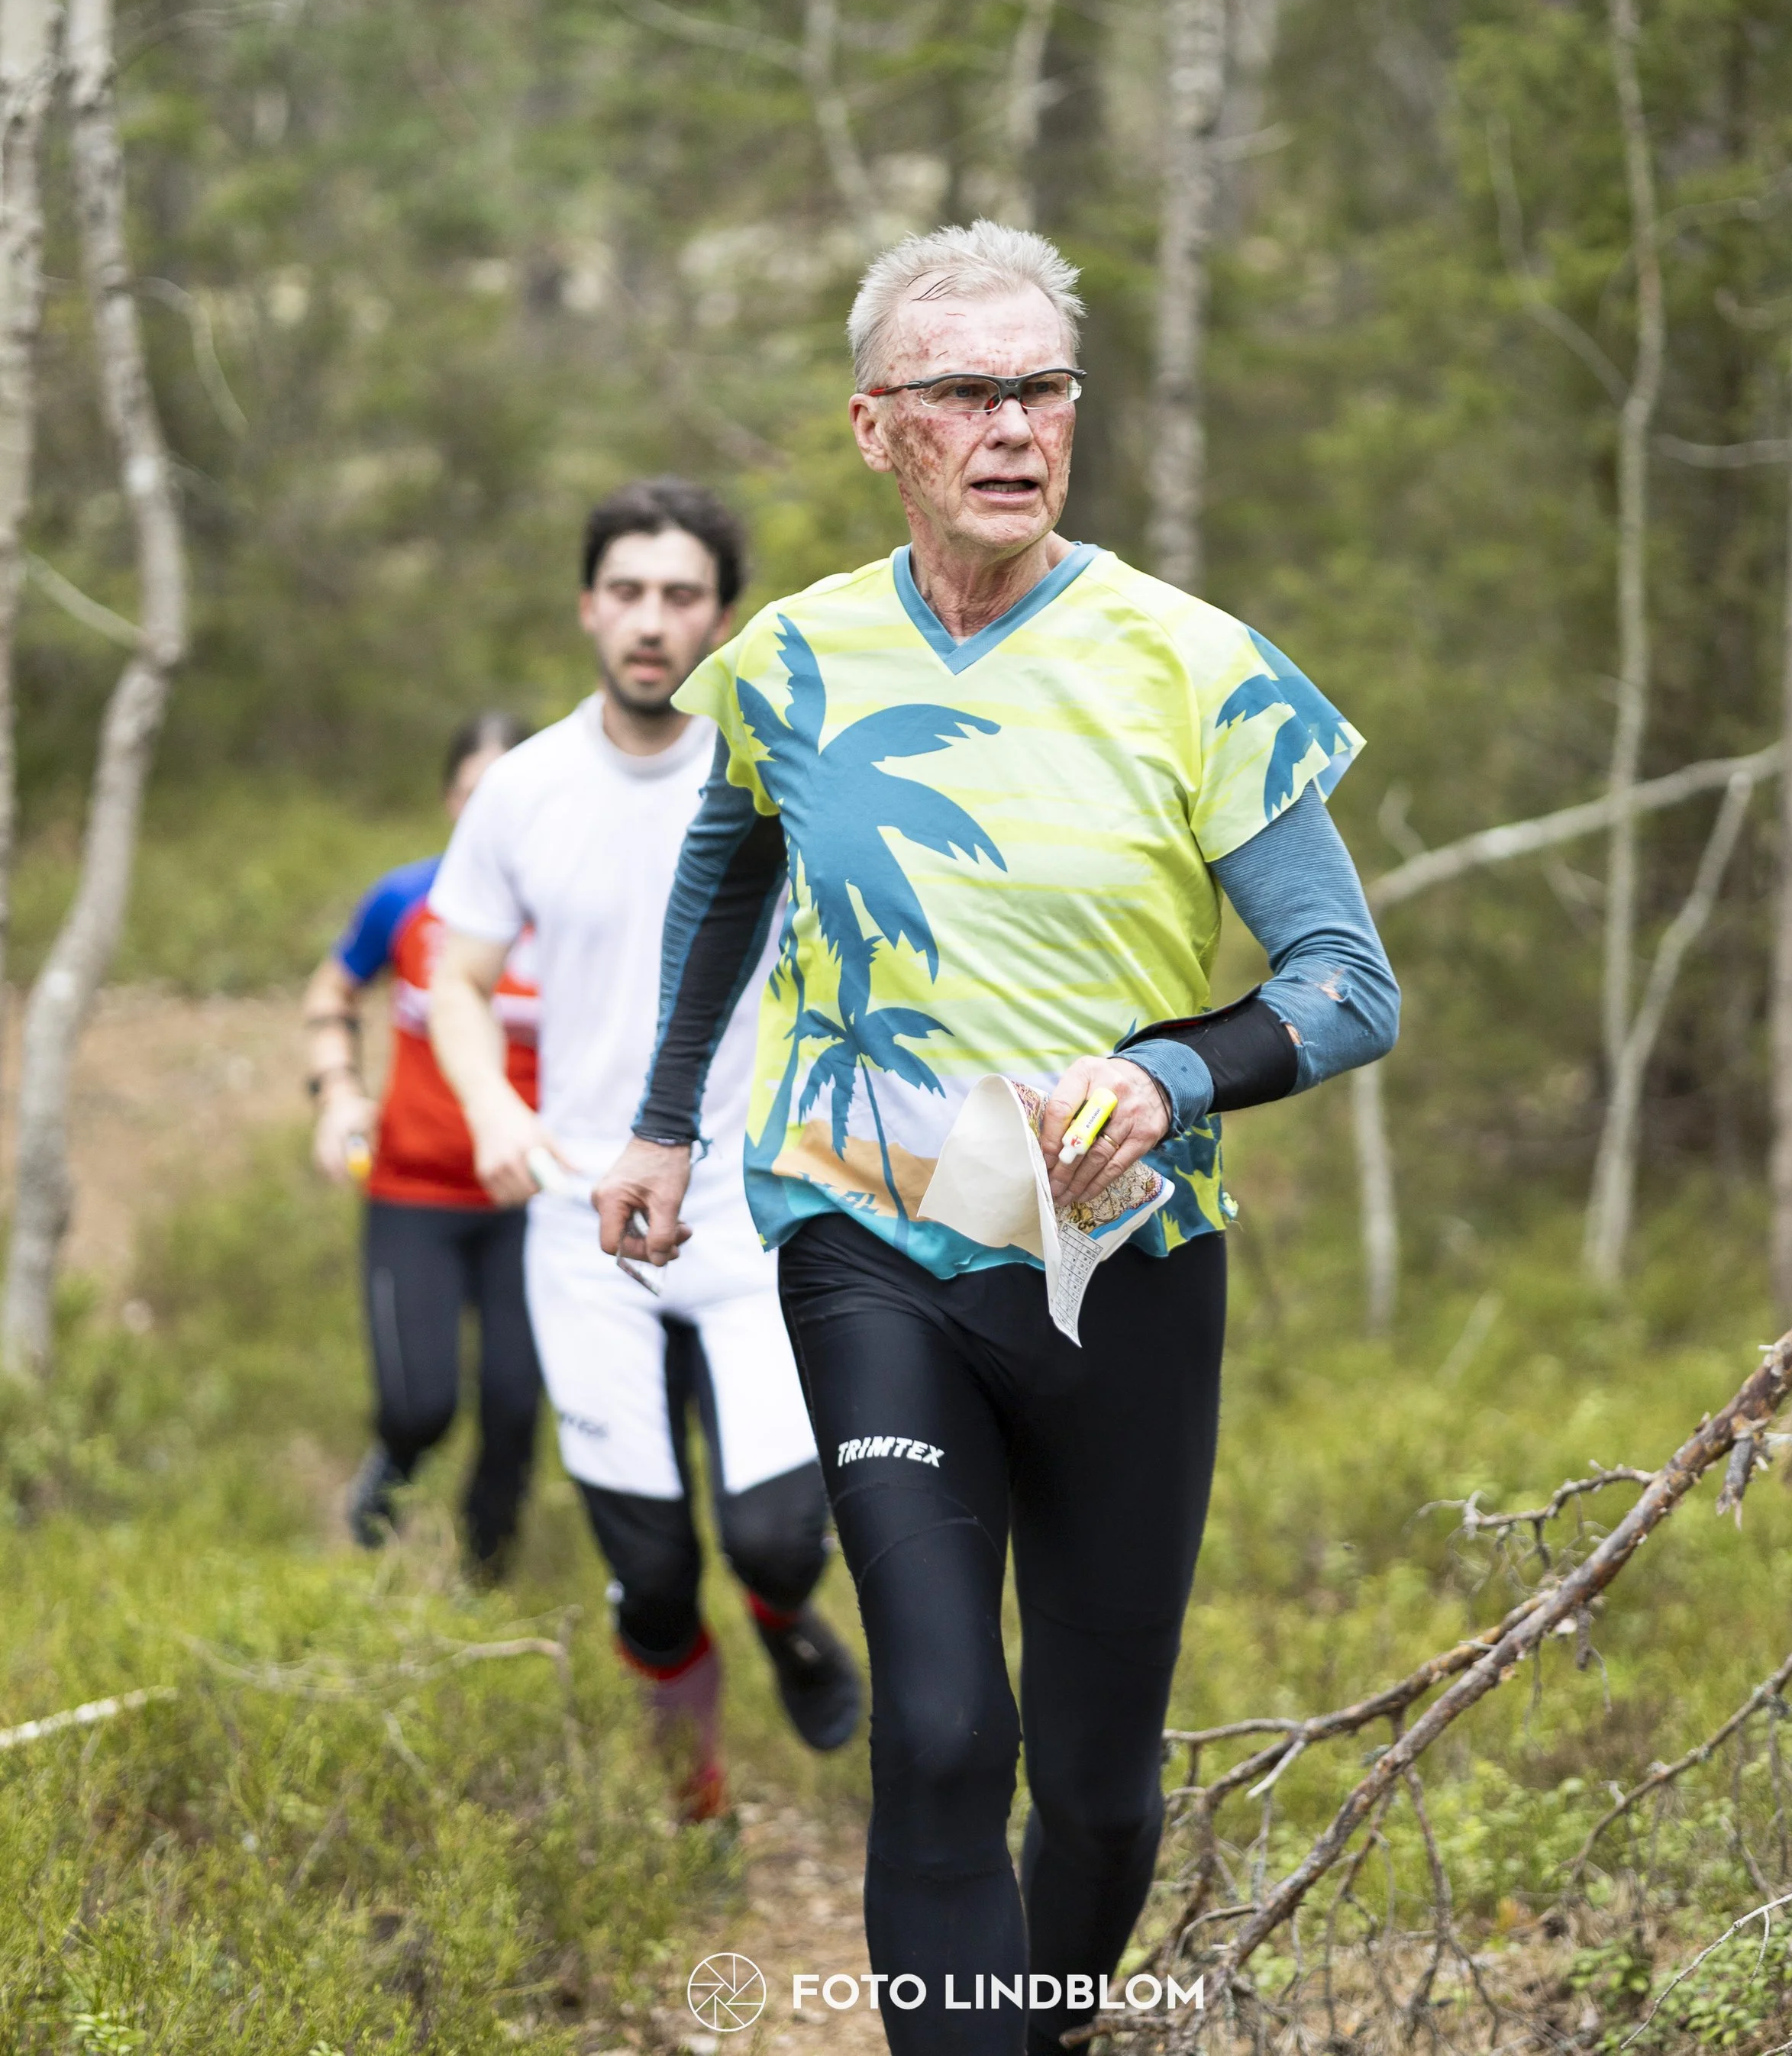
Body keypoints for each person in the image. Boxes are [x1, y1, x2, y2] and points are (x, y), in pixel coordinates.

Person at [594, 224, 1400, 2048]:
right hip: (864, 1233)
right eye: (967, 389)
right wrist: (663, 1121)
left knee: (1102, 1790)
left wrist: (1170, 1078)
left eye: (1042, 386)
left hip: (1126, 1261)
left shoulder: (1195, 666)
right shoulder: (786, 661)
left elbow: (1351, 984)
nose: (1015, 424)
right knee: (949, 1721)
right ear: (880, 423)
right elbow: (727, 873)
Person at [426, 478, 862, 1823]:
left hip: (754, 1205)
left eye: (682, 596)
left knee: (780, 1537)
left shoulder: (777, 770)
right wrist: (495, 1116)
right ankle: (699, 1802)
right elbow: (455, 973)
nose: (652, 621)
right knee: (655, 1576)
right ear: (587, 607)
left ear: (722, 616)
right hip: (579, 1219)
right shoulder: (525, 790)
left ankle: (788, 1615)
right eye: (628, 592)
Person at [304, 711, 542, 1577]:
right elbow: (334, 989)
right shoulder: (406, 899)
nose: (494, 814)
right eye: (476, 794)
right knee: (420, 1405)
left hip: (534, 1198)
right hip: (415, 1188)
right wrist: (337, 1094)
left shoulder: (574, 908)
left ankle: (485, 1587)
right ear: (450, 800)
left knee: (515, 1408)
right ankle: (382, 1497)